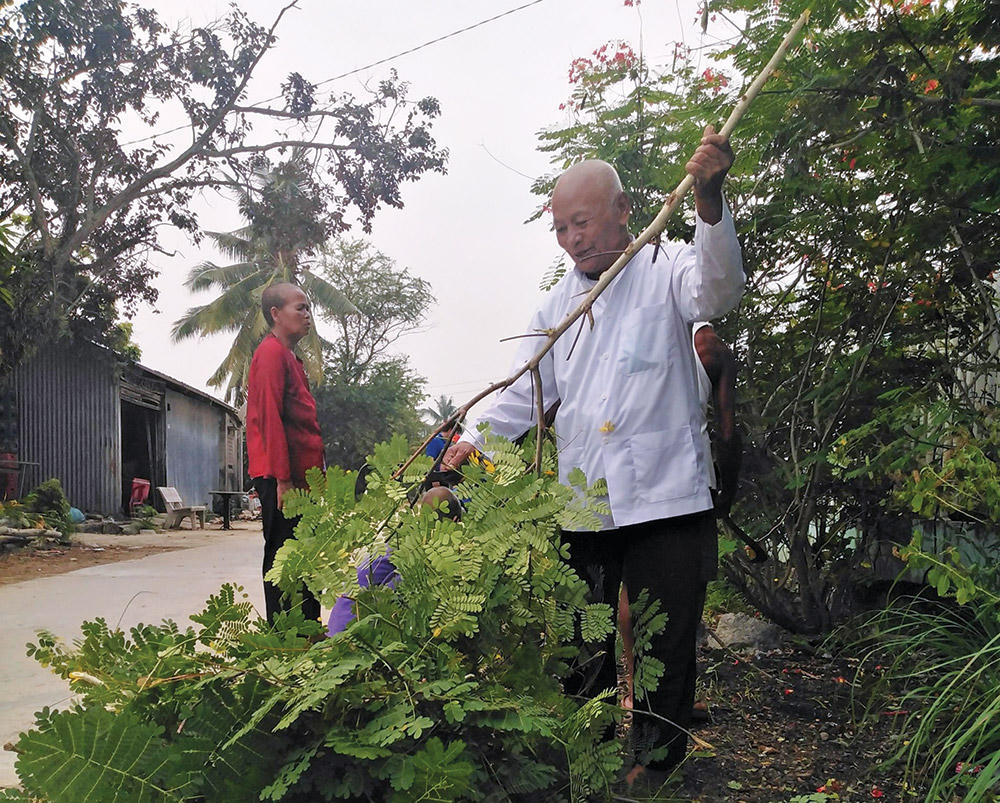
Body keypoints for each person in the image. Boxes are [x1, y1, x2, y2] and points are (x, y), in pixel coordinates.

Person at [442, 127, 744, 781]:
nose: (571, 238)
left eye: (580, 221)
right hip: (586, 505)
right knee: (585, 646)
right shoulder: (557, 305)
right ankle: (593, 766)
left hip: (668, 497)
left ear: (623, 209)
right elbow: (521, 393)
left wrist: (711, 201)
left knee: (667, 644)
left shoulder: (668, 270)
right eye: (559, 229)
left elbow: (719, 291)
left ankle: (661, 770)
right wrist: (470, 442)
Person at [246, 282, 324, 624]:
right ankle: (285, 640)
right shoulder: (270, 354)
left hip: (300, 482)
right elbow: (269, 421)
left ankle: (306, 630)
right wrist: (283, 480)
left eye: (308, 308)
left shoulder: (291, 358)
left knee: (304, 556)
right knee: (283, 558)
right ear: (276, 314)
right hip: (282, 481)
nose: (307, 316)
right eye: (300, 308)